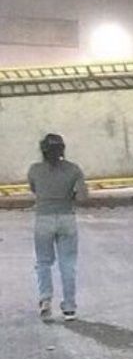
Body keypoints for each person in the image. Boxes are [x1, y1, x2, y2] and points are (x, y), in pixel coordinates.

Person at [28, 134, 88, 321]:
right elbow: (82, 197)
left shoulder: (35, 170)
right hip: (66, 218)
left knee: (43, 262)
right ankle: (69, 307)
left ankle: (45, 300)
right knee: (67, 264)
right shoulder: (73, 170)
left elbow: (35, 190)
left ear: (42, 150)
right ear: (62, 149)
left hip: (43, 219)